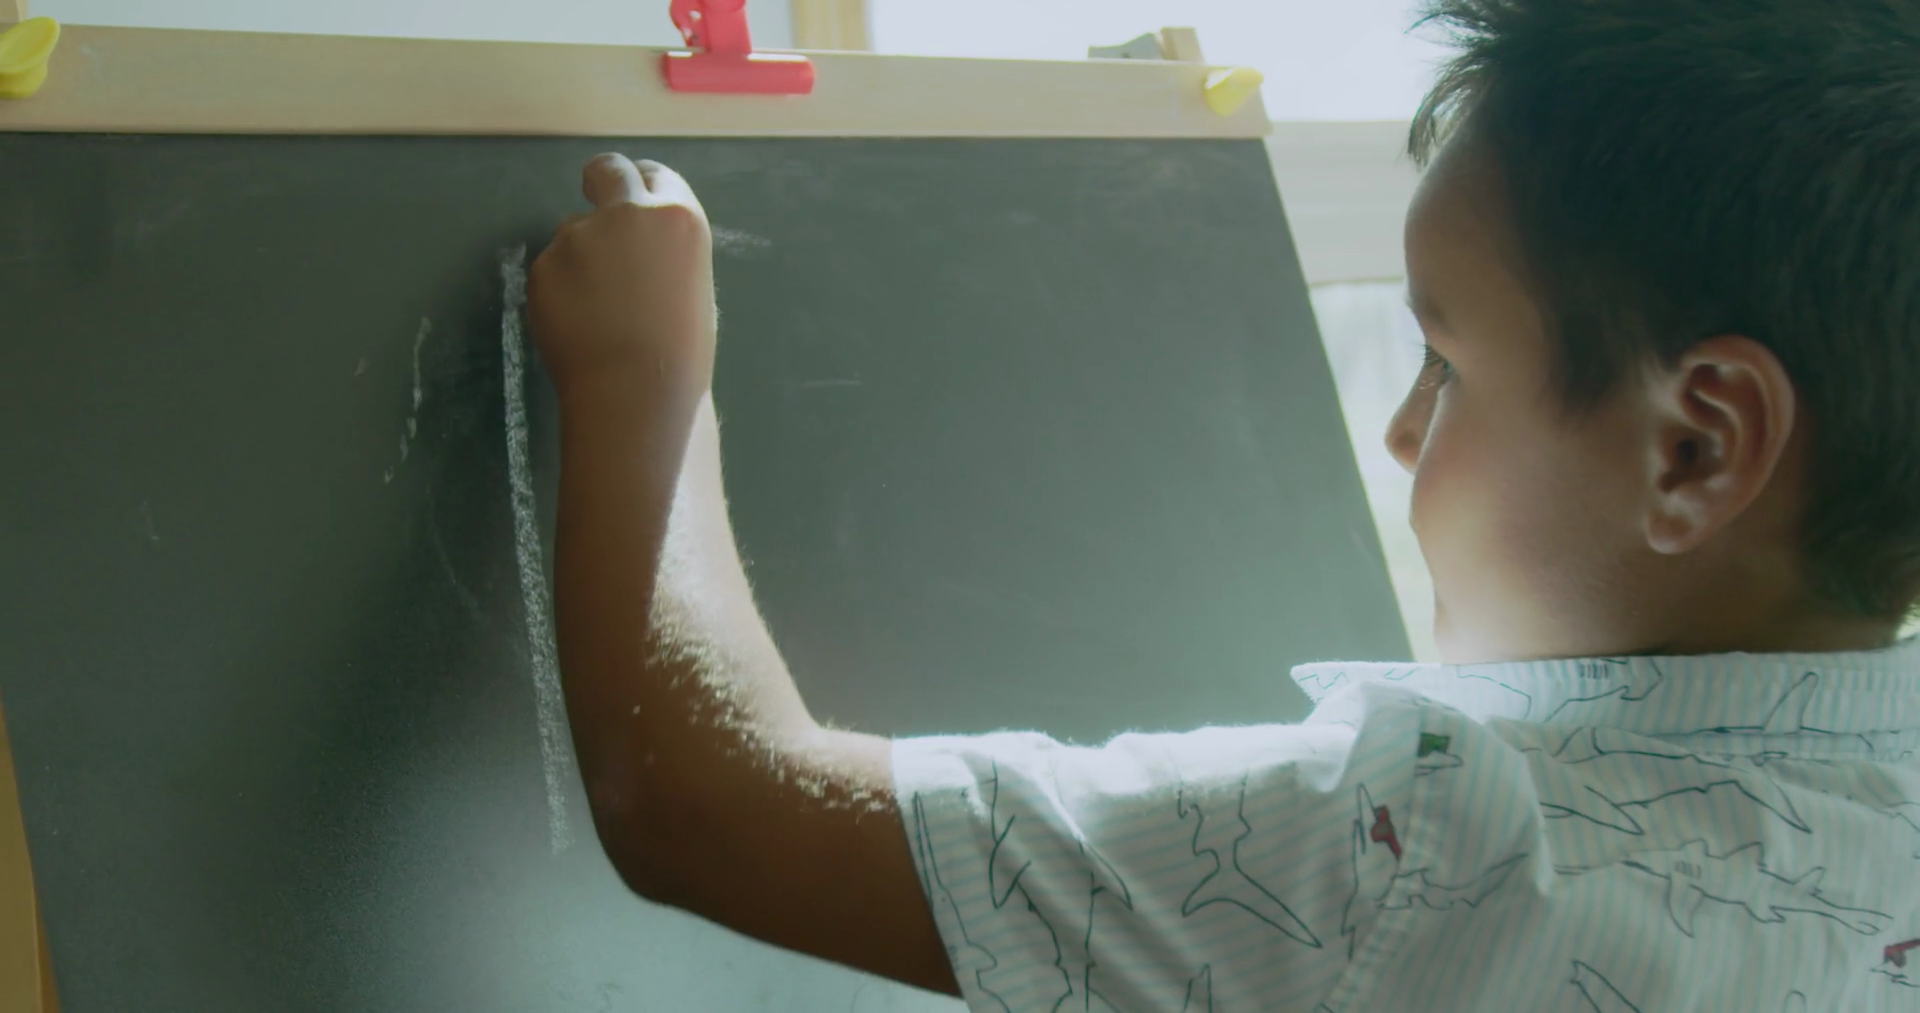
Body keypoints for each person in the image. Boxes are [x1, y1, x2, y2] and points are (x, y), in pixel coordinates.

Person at [525, 0, 1920, 1007]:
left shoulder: (1429, 845)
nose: (1400, 429)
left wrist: (647, 382)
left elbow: (703, 806)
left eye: (1446, 365)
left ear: (1695, 450)